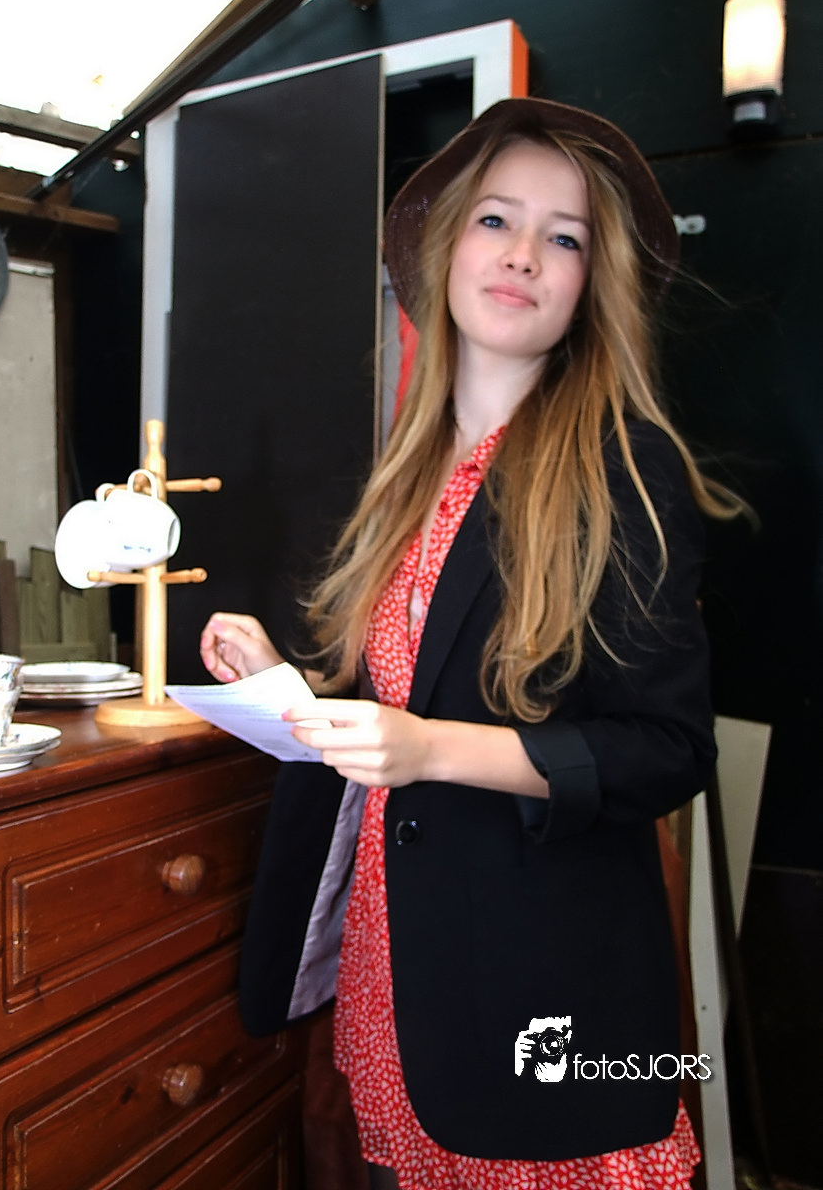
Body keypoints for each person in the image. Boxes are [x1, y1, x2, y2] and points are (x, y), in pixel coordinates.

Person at [199, 97, 738, 1189]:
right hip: (402, 975)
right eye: (496, 219)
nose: (524, 253)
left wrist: (430, 749)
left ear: (590, 283)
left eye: (563, 236)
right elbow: (407, 701)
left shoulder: (624, 468)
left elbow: (666, 750)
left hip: (544, 990)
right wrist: (291, 692)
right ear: (448, 248)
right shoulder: (409, 472)